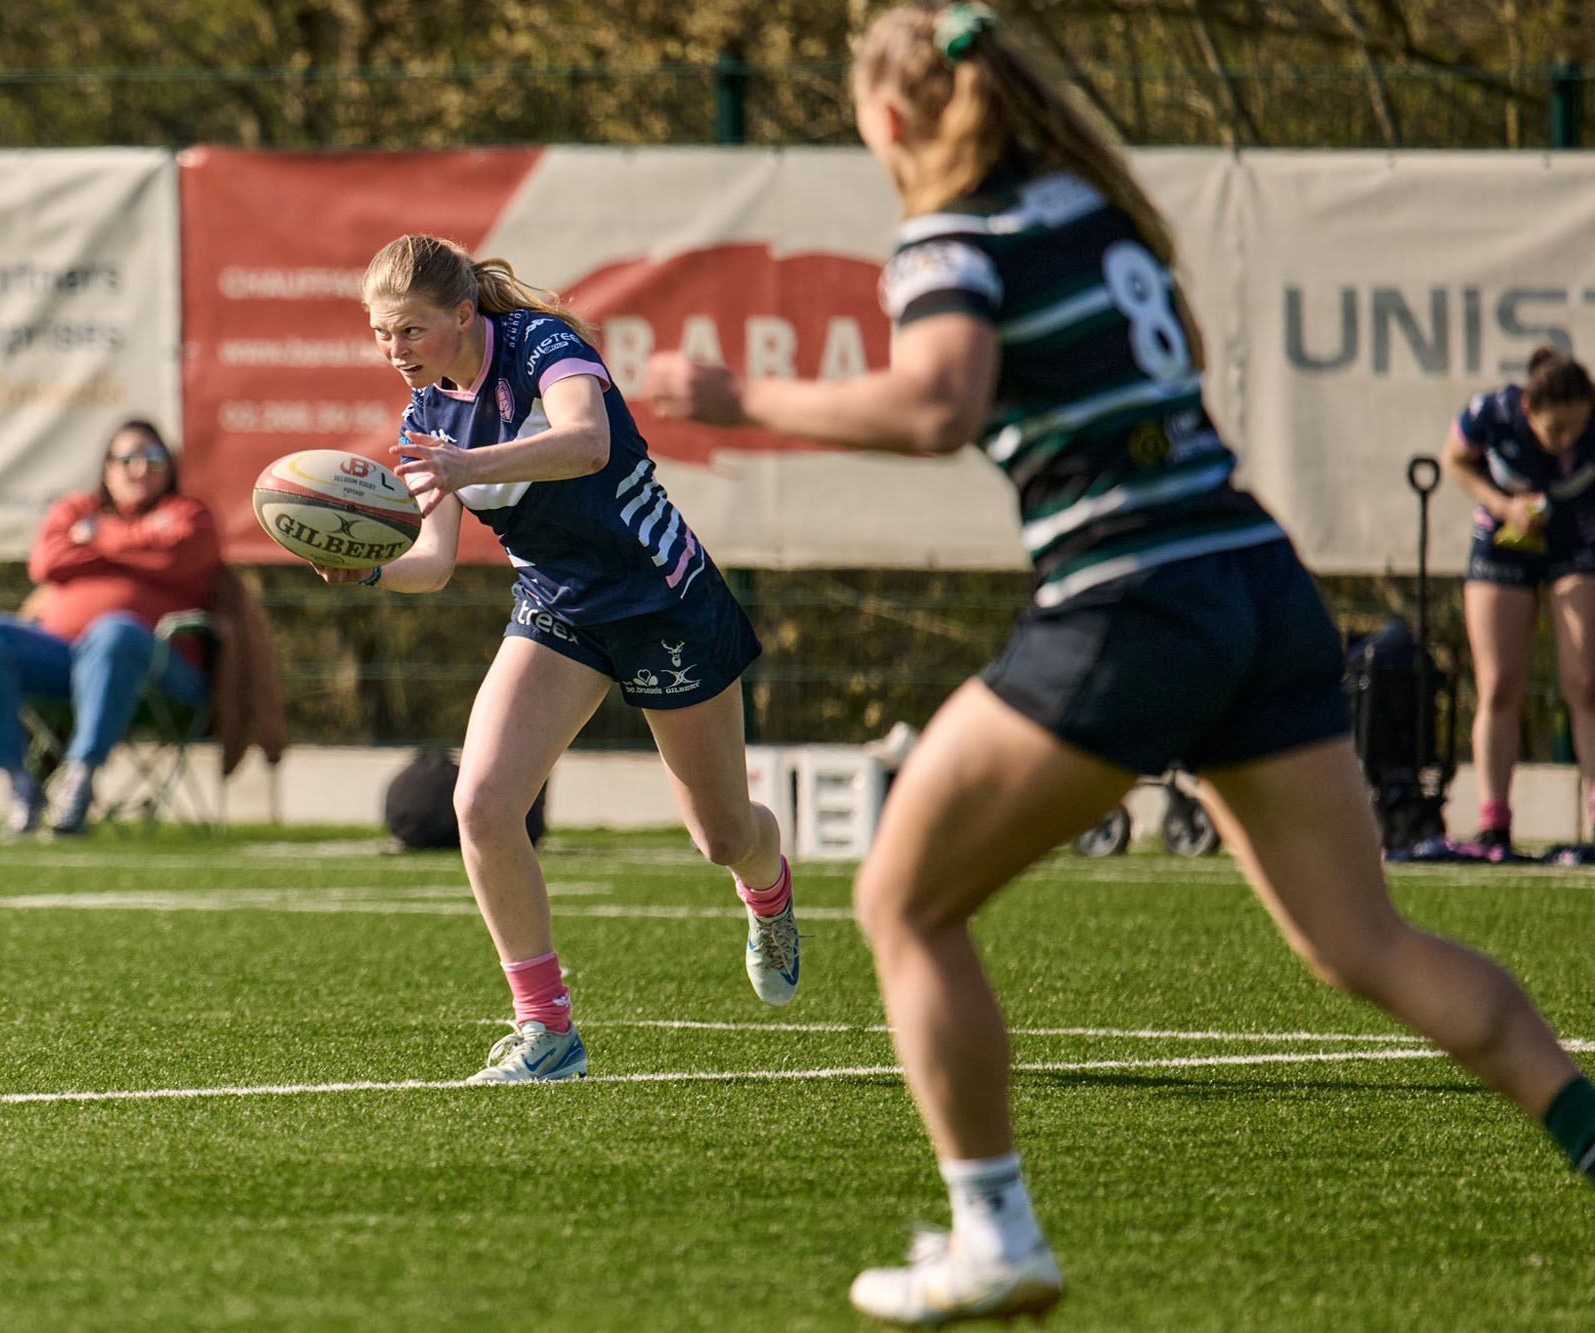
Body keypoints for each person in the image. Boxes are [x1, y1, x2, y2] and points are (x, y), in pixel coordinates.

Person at [641, 4, 1595, 1324]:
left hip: (1134, 599)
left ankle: (995, 1234)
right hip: (1257, 579)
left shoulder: (952, 236)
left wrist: (741, 400)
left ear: (891, 118)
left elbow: (938, 401)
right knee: (1366, 941)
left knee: (904, 903)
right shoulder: (1090, 207)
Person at [312, 233, 800, 1084]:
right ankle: (547, 1031)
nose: (395, 349)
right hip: (558, 609)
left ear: (463, 313)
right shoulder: (425, 417)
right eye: (382, 333)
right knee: (482, 803)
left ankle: (769, 893)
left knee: (722, 837)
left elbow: (588, 442)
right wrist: (371, 569)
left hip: (662, 599)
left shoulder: (542, 343)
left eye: (411, 329)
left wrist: (468, 463)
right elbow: (433, 563)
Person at [0, 419, 220, 839]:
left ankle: (78, 778)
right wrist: (142, 540)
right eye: (128, 459)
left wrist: (97, 538)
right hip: (62, 660)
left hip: (159, 669)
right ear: (107, 467)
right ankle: (21, 784)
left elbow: (176, 558)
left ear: (170, 467)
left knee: (113, 632)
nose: (140, 469)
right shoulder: (75, 509)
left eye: (153, 458)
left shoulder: (190, 513)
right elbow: (47, 561)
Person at [1440, 347, 1595, 857]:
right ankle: (1494, 825)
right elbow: (1454, 459)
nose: (1566, 442)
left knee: (1585, 681)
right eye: (1556, 431)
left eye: (1576, 429)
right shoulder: (1492, 414)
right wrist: (1504, 506)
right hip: (1504, 542)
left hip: (1578, 543)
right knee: (1499, 683)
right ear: (1529, 409)